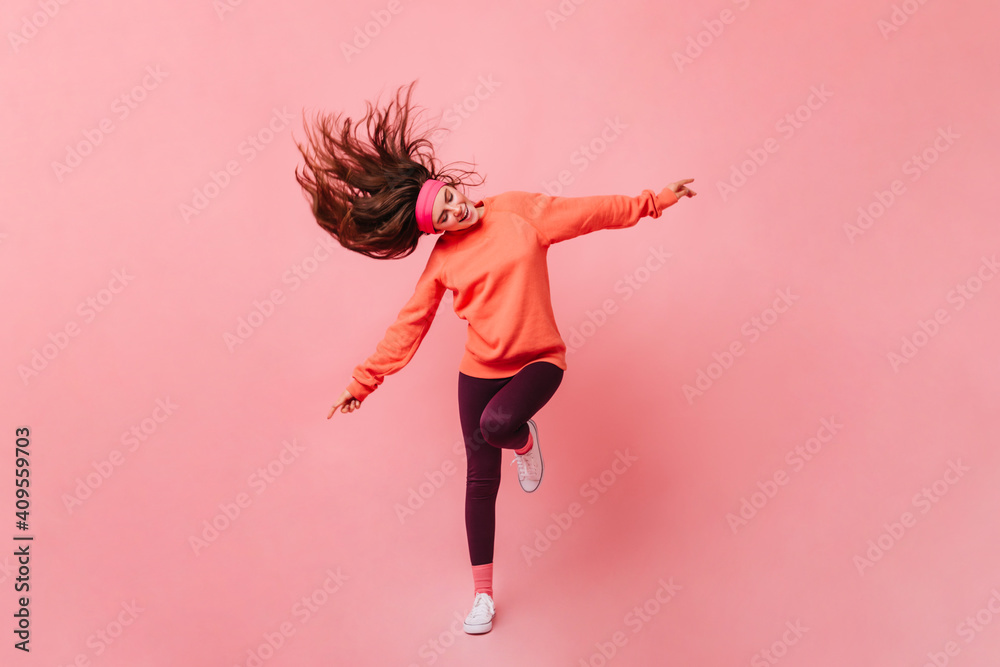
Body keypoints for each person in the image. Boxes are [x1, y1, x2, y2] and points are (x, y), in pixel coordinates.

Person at [294, 80, 696, 635]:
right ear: (436, 230)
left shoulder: (517, 211)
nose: (461, 210)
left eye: (454, 197)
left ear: (452, 186)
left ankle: (525, 441)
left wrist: (652, 201)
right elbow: (409, 325)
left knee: (500, 425)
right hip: (478, 372)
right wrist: (363, 383)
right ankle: (482, 596)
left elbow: (586, 213)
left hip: (538, 361)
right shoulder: (442, 263)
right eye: (448, 216)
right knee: (479, 481)